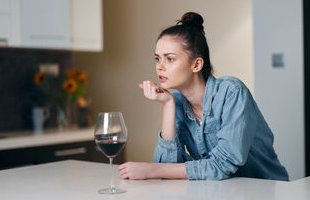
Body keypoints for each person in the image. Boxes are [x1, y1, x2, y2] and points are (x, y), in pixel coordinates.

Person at [118, 12, 288, 181]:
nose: (159, 67)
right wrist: (168, 105)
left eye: (170, 59)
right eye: (157, 59)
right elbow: (169, 164)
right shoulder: (177, 101)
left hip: (265, 193)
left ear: (197, 64)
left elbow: (222, 165)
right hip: (224, 196)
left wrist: (152, 171)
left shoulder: (232, 92)